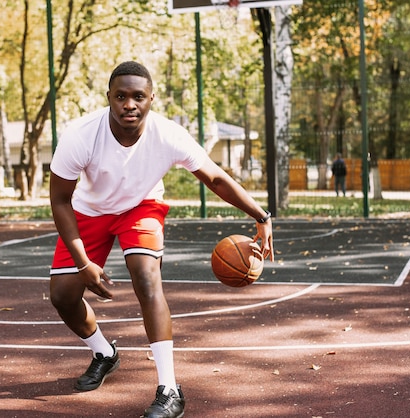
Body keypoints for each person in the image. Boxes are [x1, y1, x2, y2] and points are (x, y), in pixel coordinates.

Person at [48, 61, 274, 418]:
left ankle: (169, 389)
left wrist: (261, 216)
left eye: (138, 96)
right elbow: (59, 200)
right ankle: (104, 353)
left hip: (142, 206)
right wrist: (82, 262)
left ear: (152, 98)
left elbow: (214, 178)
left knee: (146, 277)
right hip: (89, 211)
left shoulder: (168, 134)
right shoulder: (80, 135)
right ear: (108, 97)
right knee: (62, 296)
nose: (129, 104)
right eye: (120, 96)